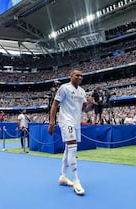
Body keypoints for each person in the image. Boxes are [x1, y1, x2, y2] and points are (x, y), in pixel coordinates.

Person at [48, 68, 91, 196]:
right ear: (71, 76)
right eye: (77, 75)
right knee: (73, 148)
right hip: (66, 121)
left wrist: (89, 103)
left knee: (68, 148)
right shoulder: (64, 88)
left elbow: (84, 109)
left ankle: (63, 176)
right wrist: (52, 122)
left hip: (76, 122)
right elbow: (54, 105)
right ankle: (76, 180)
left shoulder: (82, 91)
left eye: (81, 76)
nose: (80, 77)